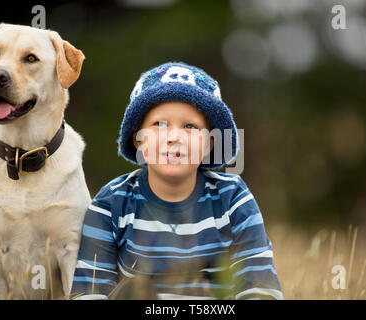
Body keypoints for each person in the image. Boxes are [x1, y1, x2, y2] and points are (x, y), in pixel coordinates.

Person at [70, 62, 282, 300]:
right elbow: (88, 292)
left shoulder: (232, 198)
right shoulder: (111, 203)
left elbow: (260, 287)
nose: (174, 137)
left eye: (190, 126)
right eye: (159, 125)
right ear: (138, 139)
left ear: (209, 144)